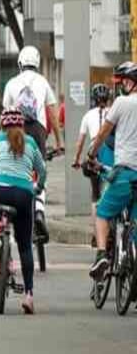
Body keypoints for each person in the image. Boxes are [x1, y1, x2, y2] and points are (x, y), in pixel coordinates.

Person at [0, 107, 46, 315]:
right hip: (23, 196)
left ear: (2, 125)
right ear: (22, 125)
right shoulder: (31, 142)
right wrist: (38, 188)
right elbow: (42, 171)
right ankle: (29, 295)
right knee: (25, 246)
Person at [87, 62, 137, 282]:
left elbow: (104, 132)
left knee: (103, 213)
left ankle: (101, 255)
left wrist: (91, 153)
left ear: (129, 82)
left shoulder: (121, 102)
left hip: (125, 171)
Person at [72, 83, 115, 246]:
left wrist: (76, 160)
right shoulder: (113, 112)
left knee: (95, 195)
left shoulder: (88, 115)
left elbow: (80, 142)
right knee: (112, 187)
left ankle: (97, 234)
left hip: (94, 153)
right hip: (111, 151)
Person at [2, 45, 62, 159]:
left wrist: (4, 136)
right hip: (38, 130)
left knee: (16, 162)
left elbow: (6, 112)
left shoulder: (11, 83)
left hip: (17, 129)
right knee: (40, 166)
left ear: (20, 63)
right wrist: (59, 141)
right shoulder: (43, 81)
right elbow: (53, 115)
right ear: (37, 64)